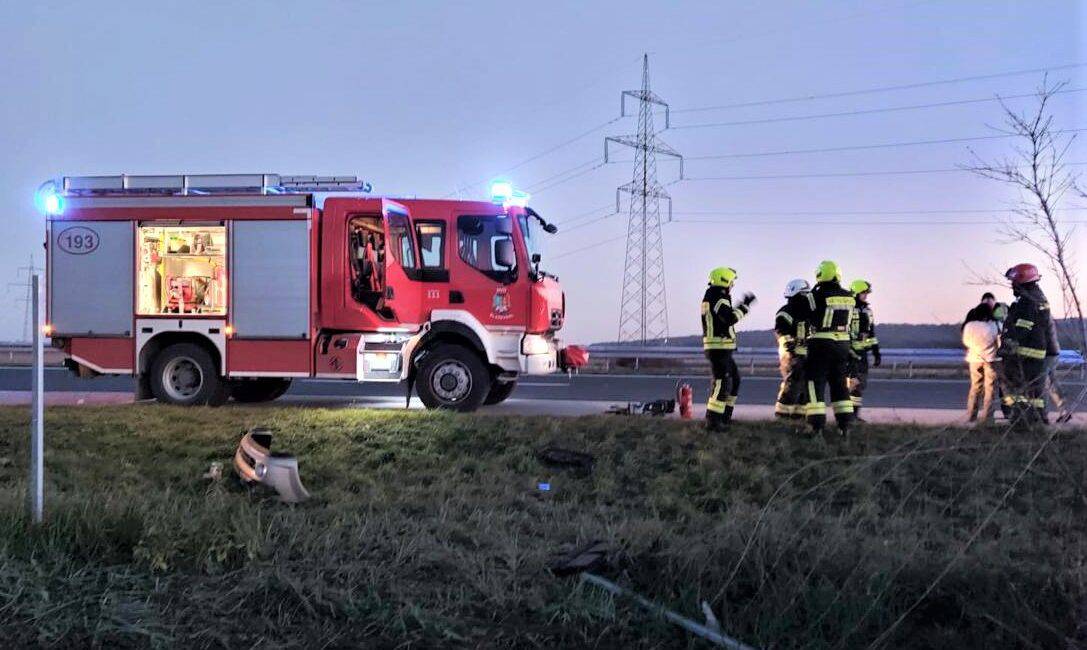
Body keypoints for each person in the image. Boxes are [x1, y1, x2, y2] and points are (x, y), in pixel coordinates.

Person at [701, 267, 756, 431]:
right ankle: (713, 421)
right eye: (731, 281)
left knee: (734, 380)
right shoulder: (717, 297)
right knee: (721, 382)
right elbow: (729, 318)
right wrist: (744, 306)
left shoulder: (715, 296)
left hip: (722, 347)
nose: (732, 284)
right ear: (724, 281)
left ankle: (724, 417)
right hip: (718, 348)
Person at [804, 260, 856, 436]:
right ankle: (845, 426)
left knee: (814, 383)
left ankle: (815, 426)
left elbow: (805, 313)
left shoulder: (815, 296)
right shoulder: (849, 296)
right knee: (839, 384)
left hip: (821, 343)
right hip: (843, 344)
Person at [999, 263, 1054, 427]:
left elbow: (1023, 326)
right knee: (1034, 391)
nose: (1011, 285)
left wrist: (1009, 343)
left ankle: (1022, 420)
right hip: (1034, 353)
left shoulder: (1027, 301)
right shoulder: (1036, 297)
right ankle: (1037, 419)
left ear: (1021, 281)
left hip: (1024, 354)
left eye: (1013, 282)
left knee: (1019, 389)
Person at [774, 279, 814, 420]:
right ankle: (782, 415)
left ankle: (799, 416)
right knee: (792, 384)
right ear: (796, 294)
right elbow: (781, 331)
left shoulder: (808, 312)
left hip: (806, 355)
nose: (808, 296)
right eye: (804, 294)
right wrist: (790, 345)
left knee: (805, 387)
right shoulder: (786, 311)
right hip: (790, 355)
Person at [847, 279, 881, 421]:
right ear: (855, 293)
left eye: (866, 293)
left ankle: (855, 415)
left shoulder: (868, 311)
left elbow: (871, 333)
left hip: (862, 354)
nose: (866, 296)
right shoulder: (847, 309)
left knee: (860, 385)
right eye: (863, 293)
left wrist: (876, 352)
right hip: (849, 353)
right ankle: (847, 416)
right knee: (851, 384)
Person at [961, 303, 1000, 424]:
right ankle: (988, 417)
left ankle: (971, 415)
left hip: (974, 358)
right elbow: (998, 342)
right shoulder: (993, 325)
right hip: (990, 359)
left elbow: (966, 341)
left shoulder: (969, 325)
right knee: (990, 389)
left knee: (975, 387)